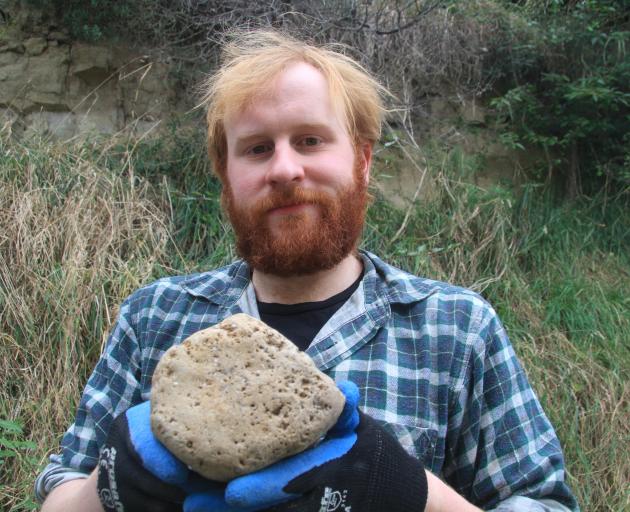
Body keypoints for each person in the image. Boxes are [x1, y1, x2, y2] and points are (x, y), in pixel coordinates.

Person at [36, 30, 578, 512]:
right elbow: (59, 486)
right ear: (227, 178)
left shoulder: (457, 329)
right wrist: (105, 490)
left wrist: (416, 492)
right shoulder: (154, 316)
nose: (285, 169)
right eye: (255, 149)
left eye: (310, 140)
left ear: (362, 160)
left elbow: (543, 500)